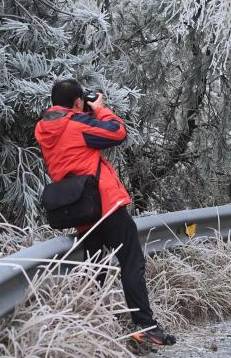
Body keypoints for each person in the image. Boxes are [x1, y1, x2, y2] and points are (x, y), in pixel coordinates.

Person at [34, 79, 176, 346]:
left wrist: (82, 110)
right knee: (131, 262)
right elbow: (117, 132)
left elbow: (71, 133)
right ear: (78, 102)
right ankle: (144, 325)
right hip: (104, 204)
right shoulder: (78, 125)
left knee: (94, 270)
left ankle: (89, 326)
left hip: (79, 210)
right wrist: (100, 108)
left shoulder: (43, 128)